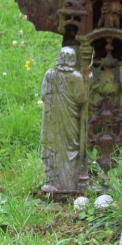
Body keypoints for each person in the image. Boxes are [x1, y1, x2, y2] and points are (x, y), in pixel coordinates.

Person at [40, 46, 89, 193]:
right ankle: (70, 183)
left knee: (54, 147)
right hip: (70, 120)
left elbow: (44, 95)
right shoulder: (76, 77)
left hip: (52, 119)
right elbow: (81, 99)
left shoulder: (50, 75)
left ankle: (55, 182)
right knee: (70, 148)